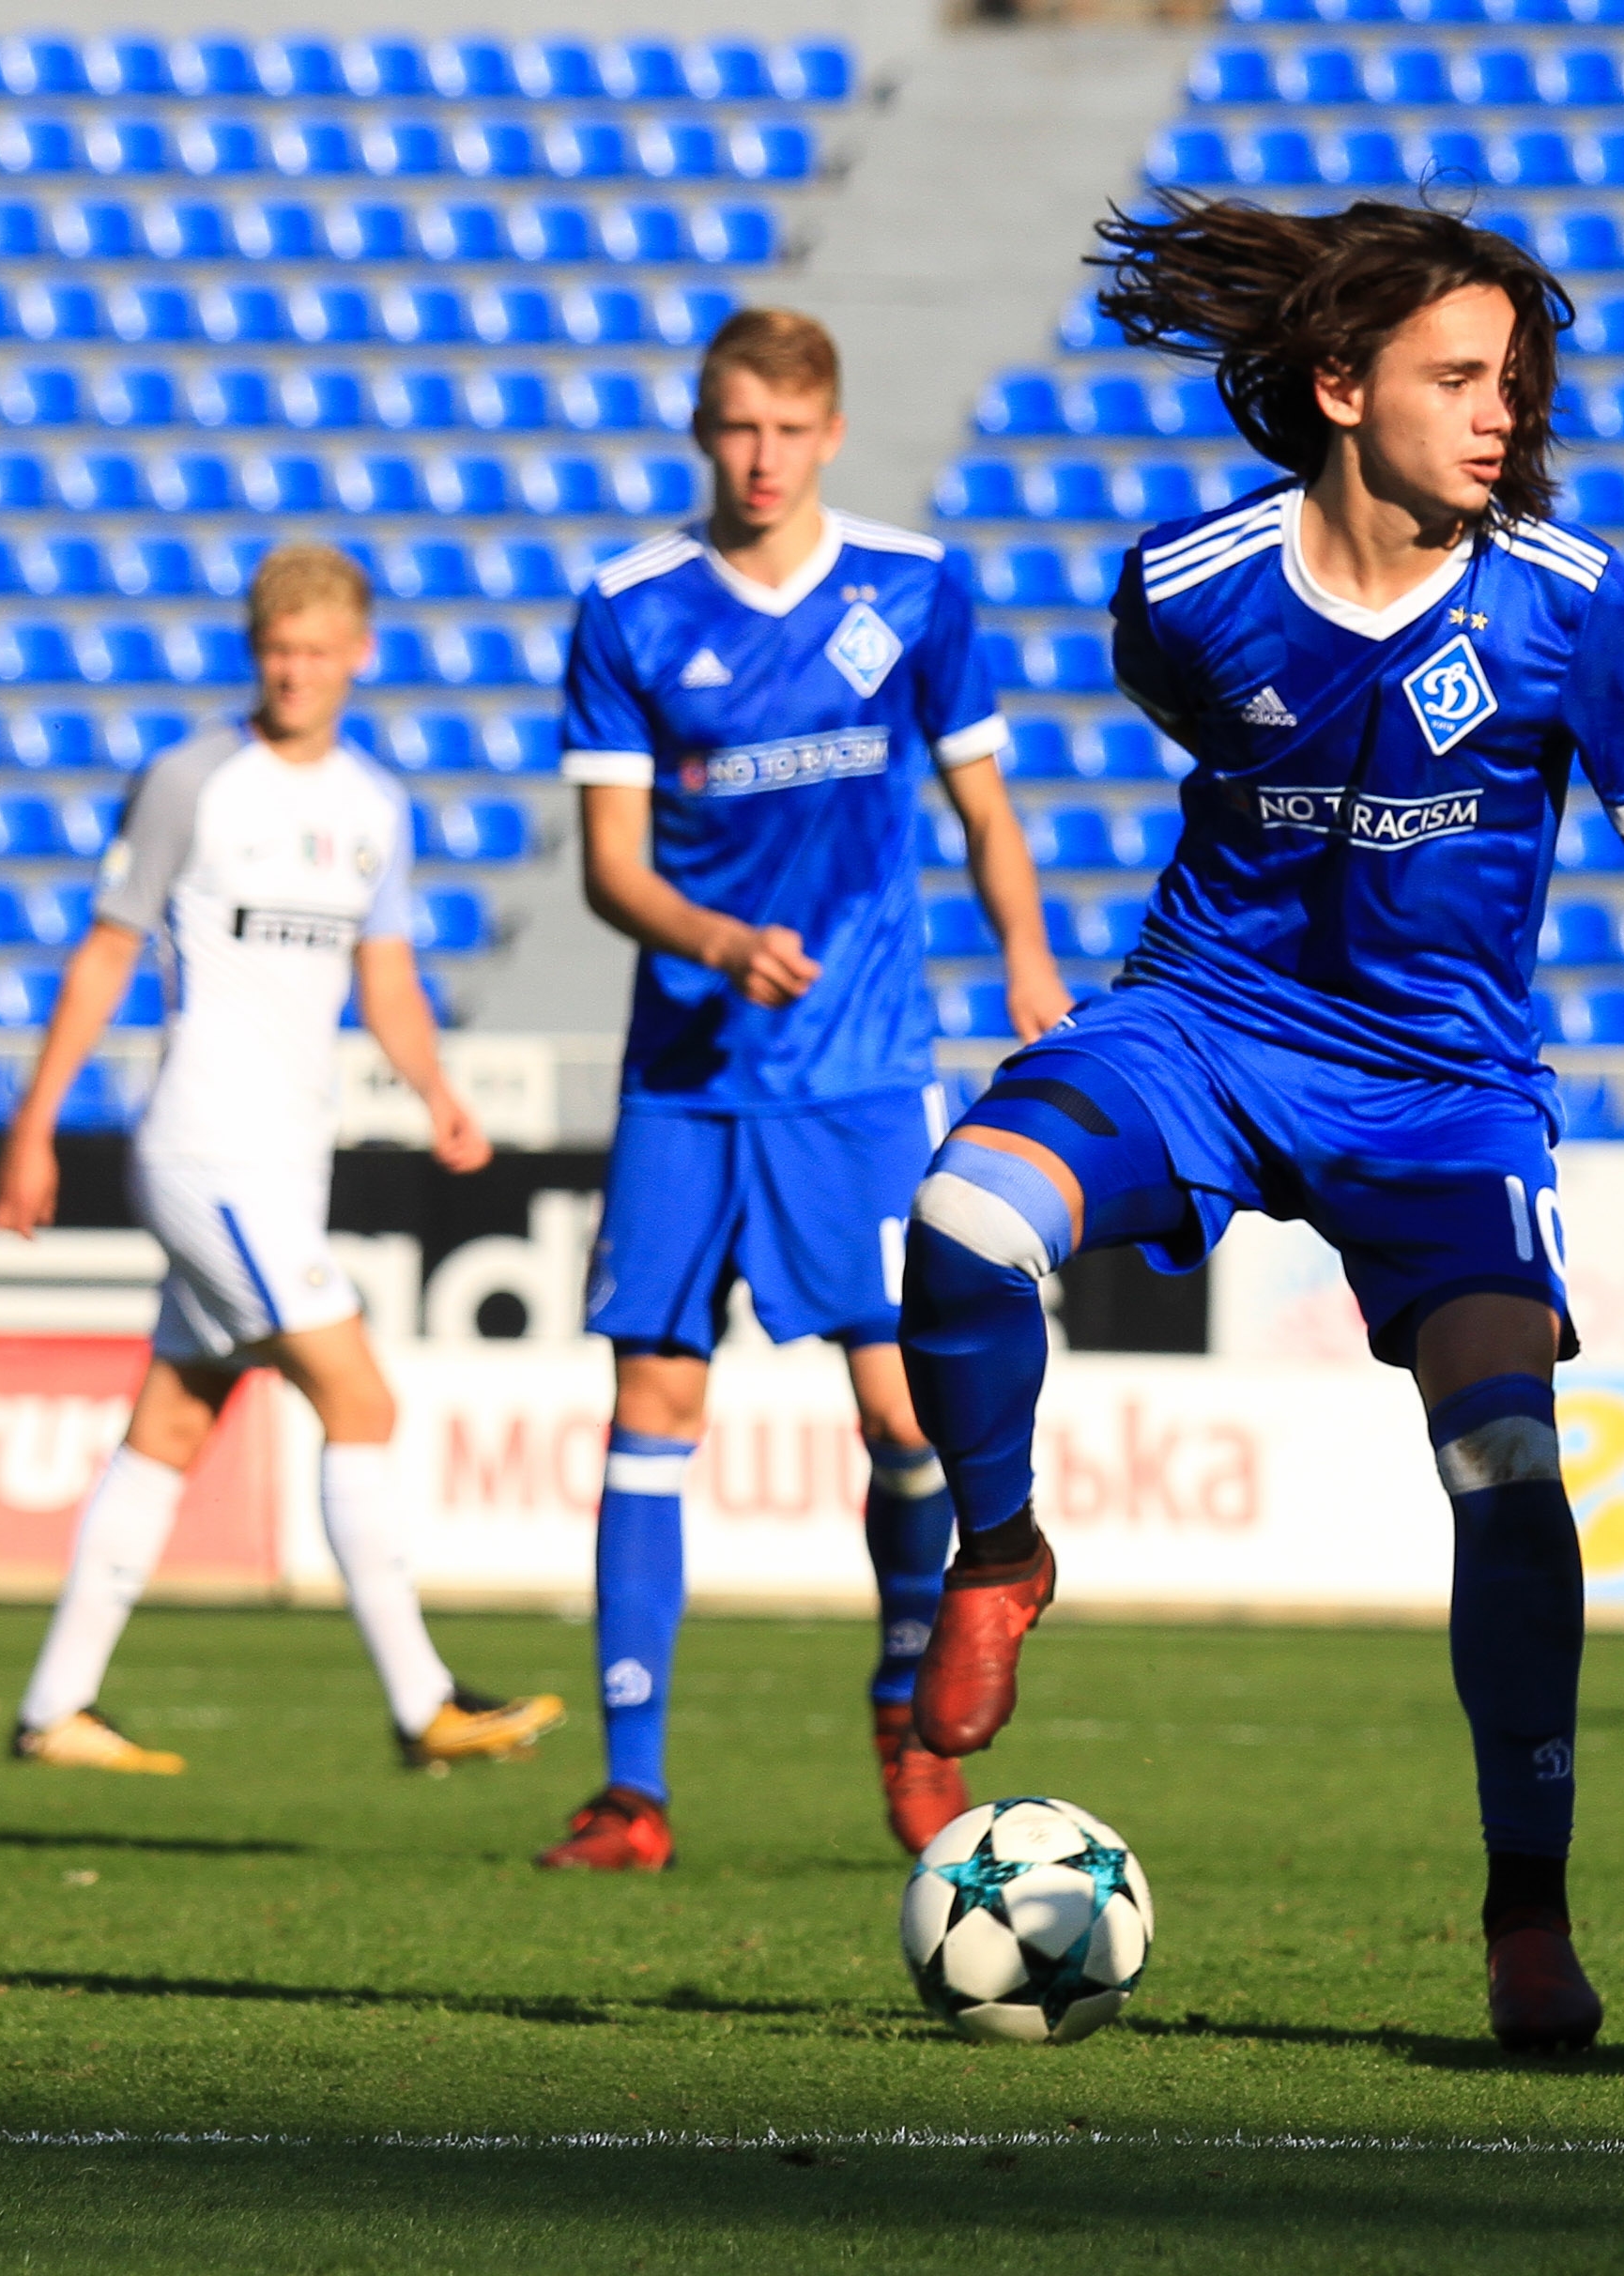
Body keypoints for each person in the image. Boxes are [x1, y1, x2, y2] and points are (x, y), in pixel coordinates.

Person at [893, 194, 1624, 2052]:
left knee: (1509, 1469)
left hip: (1443, 1096)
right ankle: (1002, 1551)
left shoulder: (1575, 608)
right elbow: (1192, 712)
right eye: (1460, 378)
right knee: (963, 1225)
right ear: (1341, 387)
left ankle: (1528, 1908)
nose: (1502, 414)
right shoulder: (1187, 586)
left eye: (1513, 381)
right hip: (1204, 1030)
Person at [539, 307, 1069, 1873]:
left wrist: (1028, 962)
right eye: (736, 429)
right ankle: (632, 1792)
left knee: (902, 1410)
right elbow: (612, 867)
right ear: (702, 431)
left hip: (861, 1074)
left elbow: (985, 807)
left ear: (830, 433)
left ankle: (906, 1708)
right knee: (652, 1404)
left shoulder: (912, 590)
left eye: (787, 431)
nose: (761, 459)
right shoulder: (629, 609)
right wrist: (716, 939)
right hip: (689, 1081)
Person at [0, 545, 563, 1777]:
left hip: (286, 1160)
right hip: (206, 1148)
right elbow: (105, 951)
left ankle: (56, 1707)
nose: (295, 674)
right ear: (255, 654)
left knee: (175, 1416)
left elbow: (388, 976)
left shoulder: (373, 806)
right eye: (276, 653)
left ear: (359, 654)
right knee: (361, 1398)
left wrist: (438, 1094)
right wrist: (35, 1128)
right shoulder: (192, 781)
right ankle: (423, 1704)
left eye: (316, 653)